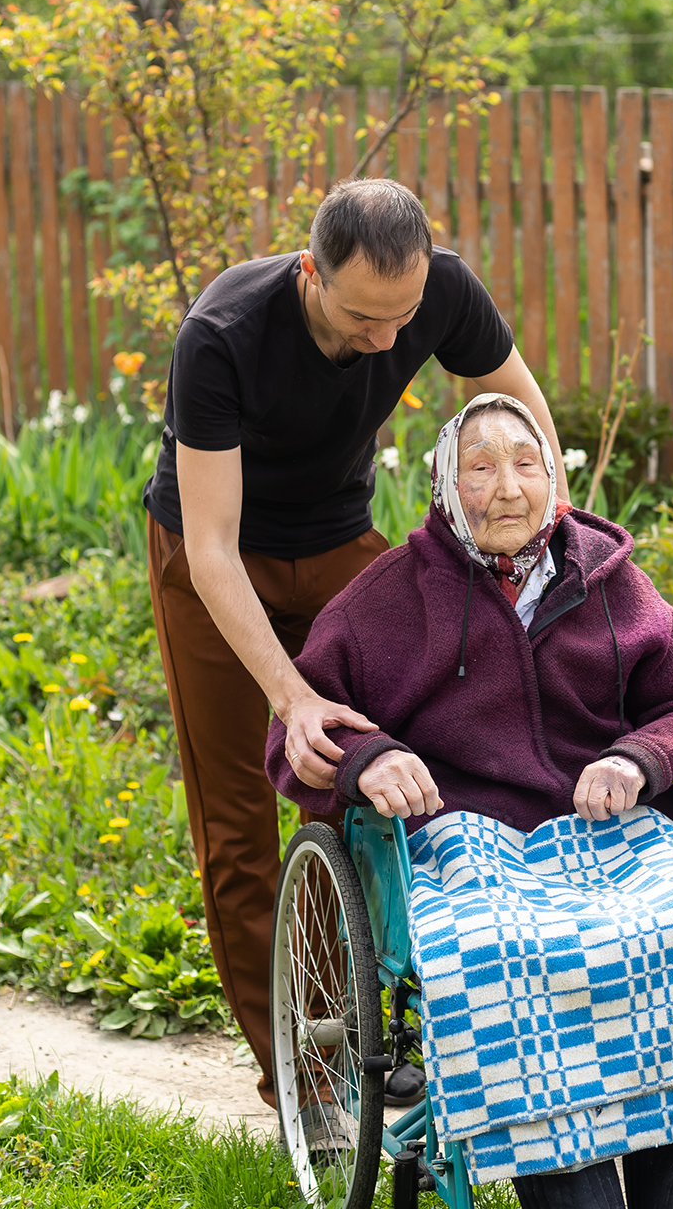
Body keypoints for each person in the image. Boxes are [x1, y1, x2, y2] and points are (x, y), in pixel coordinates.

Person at [265, 395, 673, 1209]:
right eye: (480, 468)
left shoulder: (607, 579)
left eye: (526, 464)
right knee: (510, 964)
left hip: (611, 834)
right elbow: (297, 737)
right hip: (466, 843)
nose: (508, 488)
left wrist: (639, 756)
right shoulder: (390, 596)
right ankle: (575, 1188)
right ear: (447, 488)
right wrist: (368, 758)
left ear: (553, 478)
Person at [141, 179, 567, 1111]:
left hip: (340, 542)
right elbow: (213, 548)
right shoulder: (223, 336)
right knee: (241, 820)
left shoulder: (441, 291)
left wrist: (551, 544)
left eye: (403, 317)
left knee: (365, 783)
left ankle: (371, 1028)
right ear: (310, 274)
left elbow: (534, 431)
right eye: (364, 318)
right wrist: (291, 697)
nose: (387, 341)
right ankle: (309, 1083)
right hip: (215, 557)